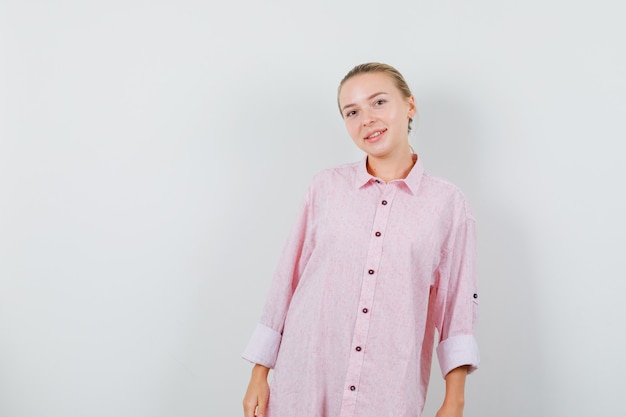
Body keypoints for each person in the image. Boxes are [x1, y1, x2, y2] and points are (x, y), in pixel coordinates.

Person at [242, 62, 480, 417]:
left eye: (379, 102)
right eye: (352, 111)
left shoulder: (447, 203)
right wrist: (259, 373)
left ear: (409, 106)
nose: (366, 118)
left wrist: (455, 398)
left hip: (387, 387)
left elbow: (456, 305)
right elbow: (287, 283)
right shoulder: (324, 188)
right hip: (306, 377)